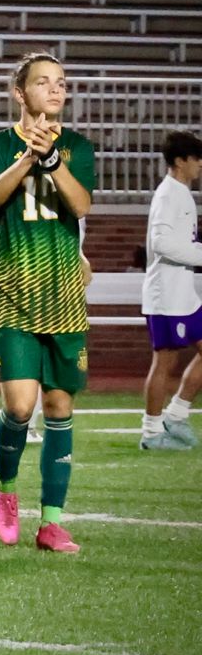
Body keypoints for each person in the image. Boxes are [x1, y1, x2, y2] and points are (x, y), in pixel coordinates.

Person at [0, 52, 96, 554]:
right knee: (20, 407)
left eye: (62, 83)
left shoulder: (78, 147)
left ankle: (51, 522)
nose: (56, 90)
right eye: (44, 83)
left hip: (63, 291)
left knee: (59, 404)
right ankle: (4, 493)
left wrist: (52, 161)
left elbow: (81, 203)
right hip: (14, 290)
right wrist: (28, 158)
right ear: (19, 93)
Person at [139, 131, 202, 450]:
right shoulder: (169, 195)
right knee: (164, 361)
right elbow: (162, 244)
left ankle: (175, 415)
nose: (200, 165)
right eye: (197, 159)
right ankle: (151, 433)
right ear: (181, 161)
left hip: (182, 294)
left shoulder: (179, 192)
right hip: (167, 296)